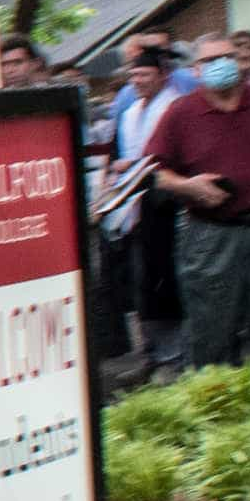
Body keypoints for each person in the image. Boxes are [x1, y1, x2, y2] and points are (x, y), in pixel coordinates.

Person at [148, 32, 250, 370]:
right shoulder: (182, 112)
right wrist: (189, 186)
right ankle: (214, 403)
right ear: (195, 69)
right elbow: (154, 172)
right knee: (210, 327)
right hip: (210, 233)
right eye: (209, 60)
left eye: (226, 57)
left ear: (240, 62)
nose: (220, 65)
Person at [106, 46, 190, 375]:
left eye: (145, 74)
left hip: (167, 204)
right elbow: (117, 154)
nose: (137, 81)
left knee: (166, 282)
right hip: (136, 207)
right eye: (134, 75)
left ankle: (174, 356)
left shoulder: (175, 107)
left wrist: (138, 165)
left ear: (163, 76)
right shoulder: (129, 113)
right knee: (142, 283)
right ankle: (153, 353)